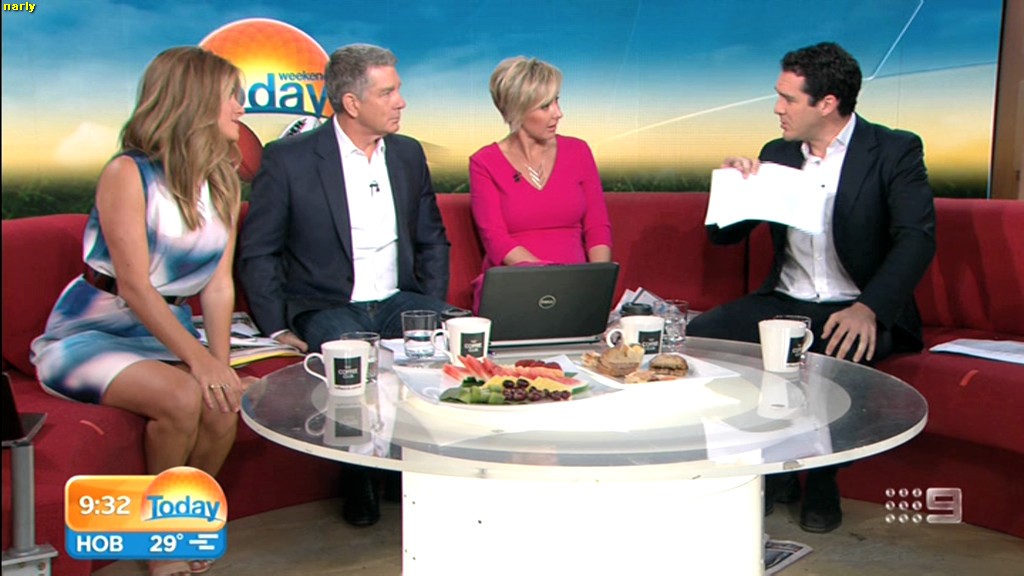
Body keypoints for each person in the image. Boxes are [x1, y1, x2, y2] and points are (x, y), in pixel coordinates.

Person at [687, 42, 936, 533]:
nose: (777, 108)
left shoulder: (893, 150)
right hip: (784, 300)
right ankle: (765, 469)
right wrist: (737, 189)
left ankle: (821, 479)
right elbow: (723, 237)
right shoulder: (778, 153)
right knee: (705, 336)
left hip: (855, 304)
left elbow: (917, 238)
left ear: (827, 103)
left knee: (827, 350)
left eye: (788, 98)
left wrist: (870, 308)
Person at [30, 47, 247, 576]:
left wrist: (219, 365)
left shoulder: (222, 180)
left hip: (166, 329)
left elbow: (219, 286)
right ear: (195, 101)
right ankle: (158, 539)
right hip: (90, 331)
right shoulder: (128, 173)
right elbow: (133, 284)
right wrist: (199, 362)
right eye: (232, 96)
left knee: (222, 407)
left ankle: (185, 521)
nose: (241, 107)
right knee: (181, 396)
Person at [238, 44, 452, 527]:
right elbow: (259, 250)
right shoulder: (290, 159)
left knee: (452, 336)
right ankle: (360, 476)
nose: (401, 101)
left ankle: (417, 468)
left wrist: (433, 304)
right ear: (352, 103)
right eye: (388, 92)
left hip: (398, 298)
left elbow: (432, 239)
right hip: (326, 303)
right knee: (349, 351)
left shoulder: (407, 154)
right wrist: (275, 327)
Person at [469, 56, 612, 311]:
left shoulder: (578, 151)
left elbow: (597, 227)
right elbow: (496, 239)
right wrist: (550, 280)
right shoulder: (484, 163)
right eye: (545, 106)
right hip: (516, 284)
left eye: (557, 100)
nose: (558, 113)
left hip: (578, 287)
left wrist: (598, 282)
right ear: (518, 110)